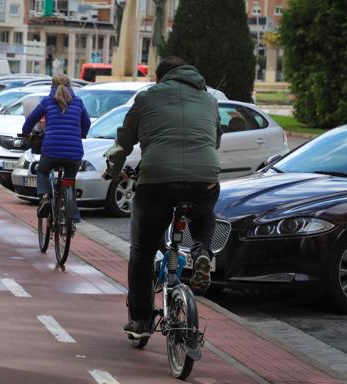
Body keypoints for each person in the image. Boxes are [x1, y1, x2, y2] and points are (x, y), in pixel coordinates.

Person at [103, 56, 222, 338]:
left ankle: (141, 321)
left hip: (157, 181)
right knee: (204, 211)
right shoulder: (210, 101)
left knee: (142, 251)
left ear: (160, 78)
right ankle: (202, 250)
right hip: (204, 178)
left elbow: (124, 141)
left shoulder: (146, 98)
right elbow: (215, 140)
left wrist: (112, 170)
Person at [22, 74, 91, 222]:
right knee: (69, 181)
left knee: (42, 170)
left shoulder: (47, 102)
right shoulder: (78, 102)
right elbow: (87, 123)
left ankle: (45, 197)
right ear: (70, 85)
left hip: (51, 150)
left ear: (52, 86)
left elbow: (31, 120)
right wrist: (81, 135)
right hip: (74, 152)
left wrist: (25, 133)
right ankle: (71, 217)